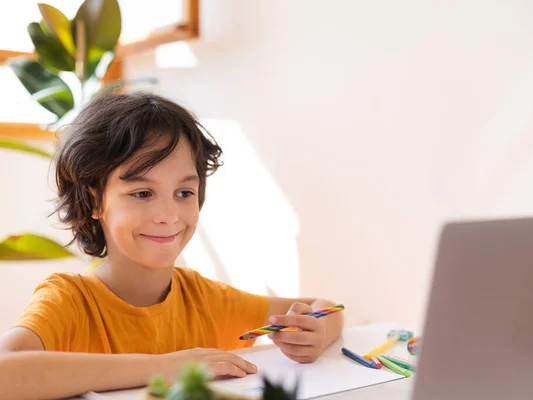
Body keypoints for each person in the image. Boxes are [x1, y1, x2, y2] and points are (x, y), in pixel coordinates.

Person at [0, 93, 343, 399]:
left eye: (184, 193)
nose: (168, 216)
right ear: (95, 201)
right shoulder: (71, 302)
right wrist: (164, 366)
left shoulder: (205, 300)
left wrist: (318, 330)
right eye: (142, 193)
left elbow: (323, 307)